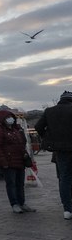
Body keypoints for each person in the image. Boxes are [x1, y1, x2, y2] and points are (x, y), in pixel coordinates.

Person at [35, 90, 72, 219]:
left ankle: (67, 209)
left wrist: (49, 138)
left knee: (64, 178)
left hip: (60, 150)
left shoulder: (50, 111)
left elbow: (38, 127)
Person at [0, 110, 36, 214]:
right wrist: (3, 161)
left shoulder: (17, 130)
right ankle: (14, 204)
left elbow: (22, 144)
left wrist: (25, 155)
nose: (10, 119)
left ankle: (22, 203)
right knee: (11, 183)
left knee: (20, 183)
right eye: (7, 117)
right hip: (8, 162)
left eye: (11, 117)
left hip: (20, 161)